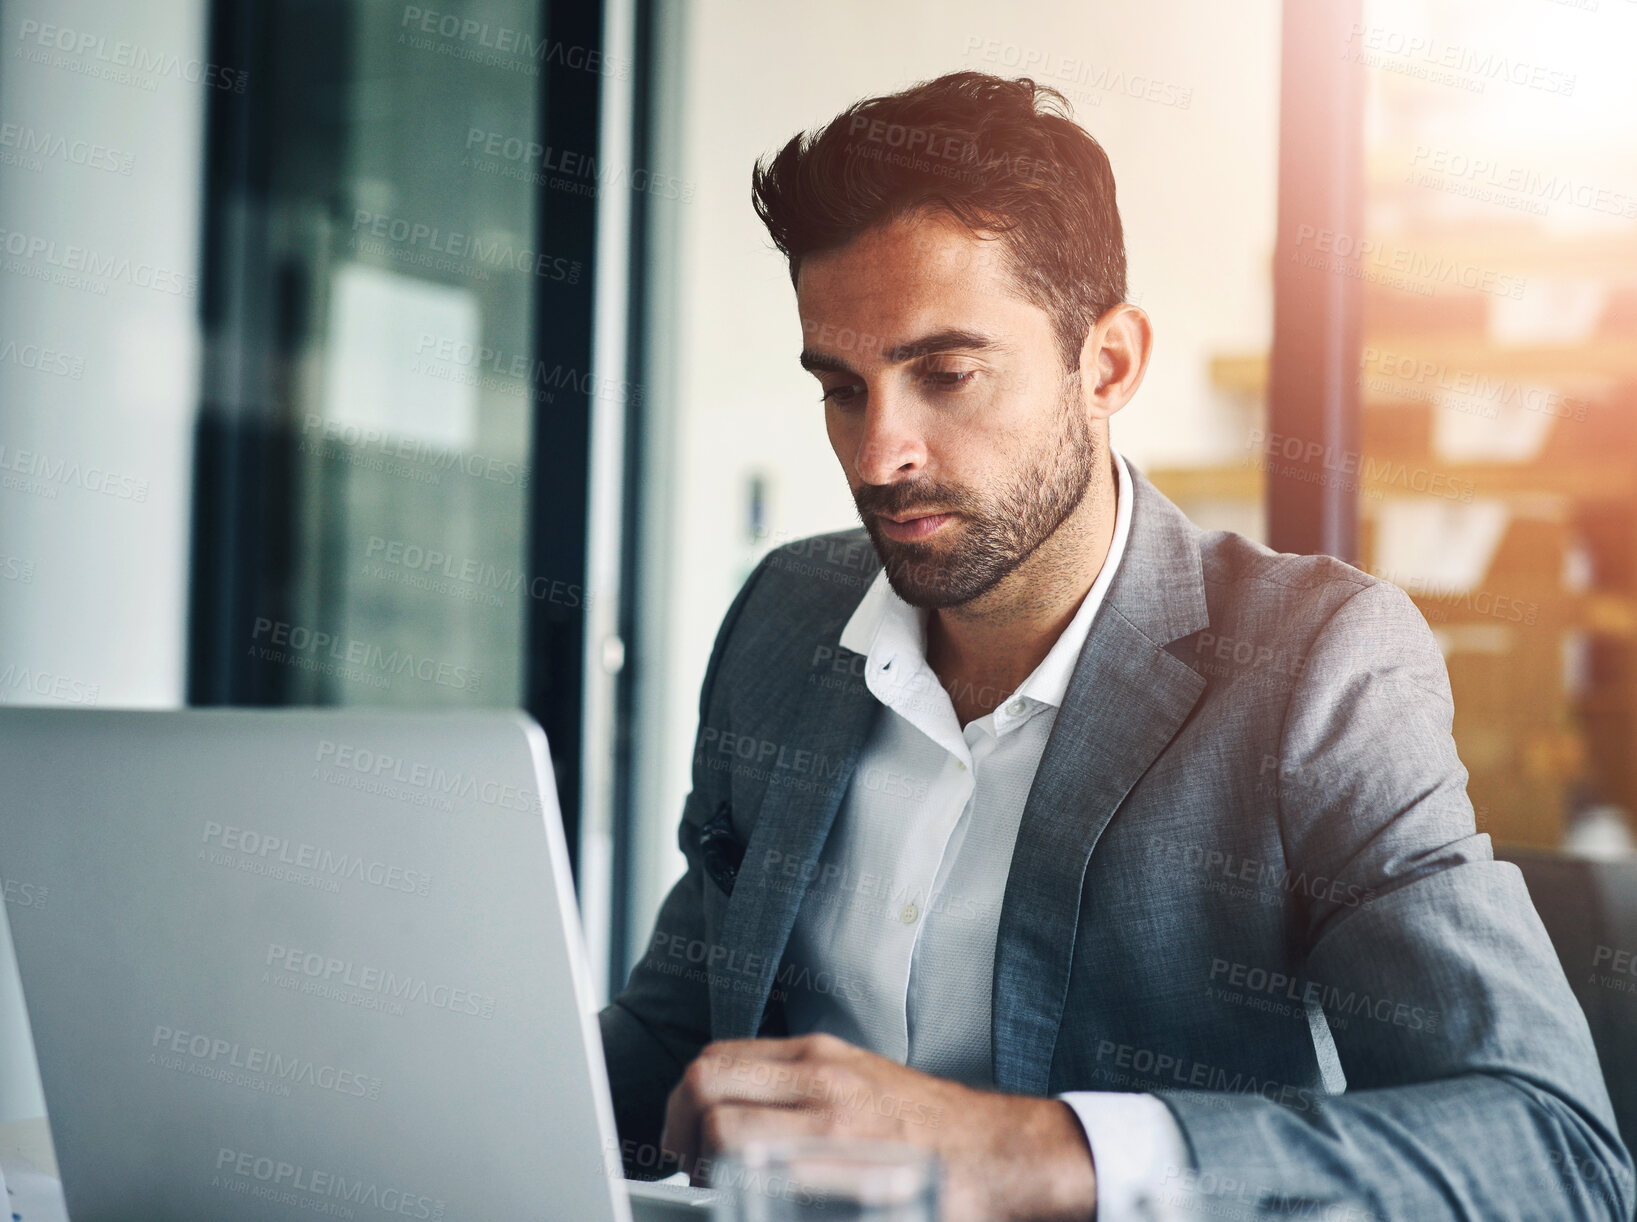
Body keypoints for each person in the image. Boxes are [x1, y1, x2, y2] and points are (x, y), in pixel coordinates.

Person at [599, 71, 1633, 1222]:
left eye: (945, 374)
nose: (876, 452)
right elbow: (676, 1039)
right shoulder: (785, 616)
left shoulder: (1314, 667)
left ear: (1108, 366)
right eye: (842, 387)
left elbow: (1551, 1154)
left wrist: (1035, 1153)